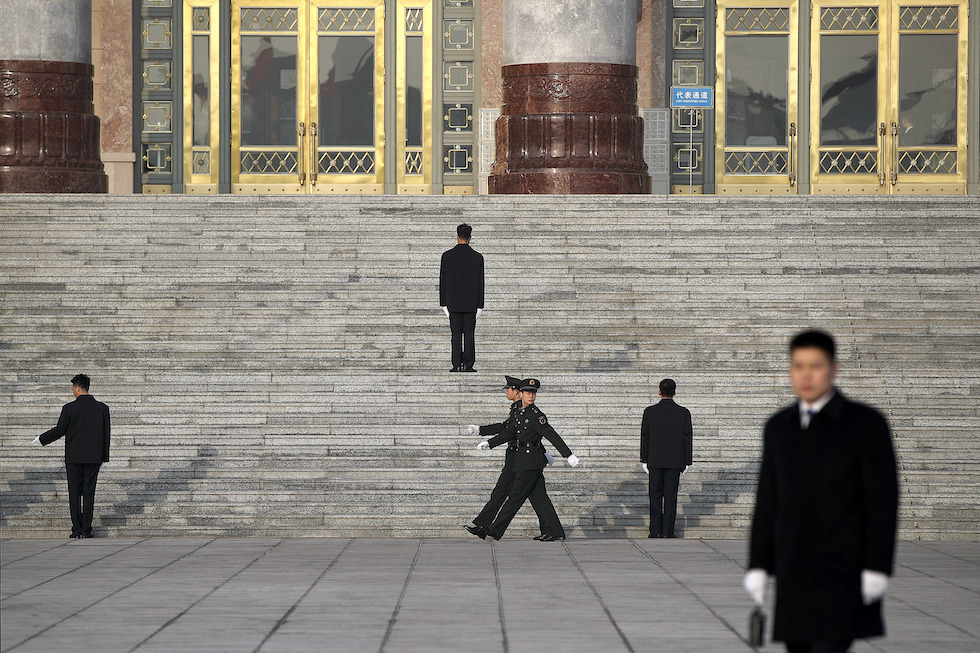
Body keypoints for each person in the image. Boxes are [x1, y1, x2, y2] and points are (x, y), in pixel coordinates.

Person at [743, 330, 899, 653]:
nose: (806, 374)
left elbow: (881, 502)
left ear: (833, 369)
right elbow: (768, 500)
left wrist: (877, 567)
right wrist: (758, 563)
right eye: (798, 366)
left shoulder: (865, 424)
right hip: (793, 571)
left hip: (843, 570)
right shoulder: (778, 427)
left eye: (815, 365)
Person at [470, 379, 579, 541]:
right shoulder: (520, 413)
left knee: (515, 497)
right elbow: (509, 433)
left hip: (531, 462)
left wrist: (568, 455)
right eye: (528, 393)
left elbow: (552, 435)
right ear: (520, 394)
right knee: (540, 499)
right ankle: (554, 531)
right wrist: (490, 443)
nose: (531, 396)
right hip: (523, 460)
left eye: (533, 393)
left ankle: (495, 530)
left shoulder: (537, 416)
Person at [32, 374, 111, 539]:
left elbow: (60, 431)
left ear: (77, 388)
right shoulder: (102, 408)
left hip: (74, 458)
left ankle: (76, 529)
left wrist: (41, 439)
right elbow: (106, 435)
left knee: (74, 493)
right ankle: (86, 529)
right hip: (93, 458)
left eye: (73, 389)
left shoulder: (69, 408)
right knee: (89, 493)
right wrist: (104, 458)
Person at [640, 378, 693, 538]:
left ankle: (655, 529)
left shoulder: (649, 411)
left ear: (659, 391)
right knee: (670, 496)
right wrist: (687, 461)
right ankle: (667, 531)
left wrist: (644, 459)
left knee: (655, 495)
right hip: (675, 461)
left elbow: (645, 436)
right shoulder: (683, 412)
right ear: (675, 392)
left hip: (655, 460)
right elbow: (687, 437)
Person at [439, 223, 484, 372]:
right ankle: (469, 364)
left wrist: (443, 303)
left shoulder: (447, 256)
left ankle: (456, 363)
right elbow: (480, 283)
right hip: (471, 303)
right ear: (470, 238)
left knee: (456, 334)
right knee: (469, 334)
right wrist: (480, 305)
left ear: (457, 236)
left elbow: (443, 281)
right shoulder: (477, 257)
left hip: (453, 302)